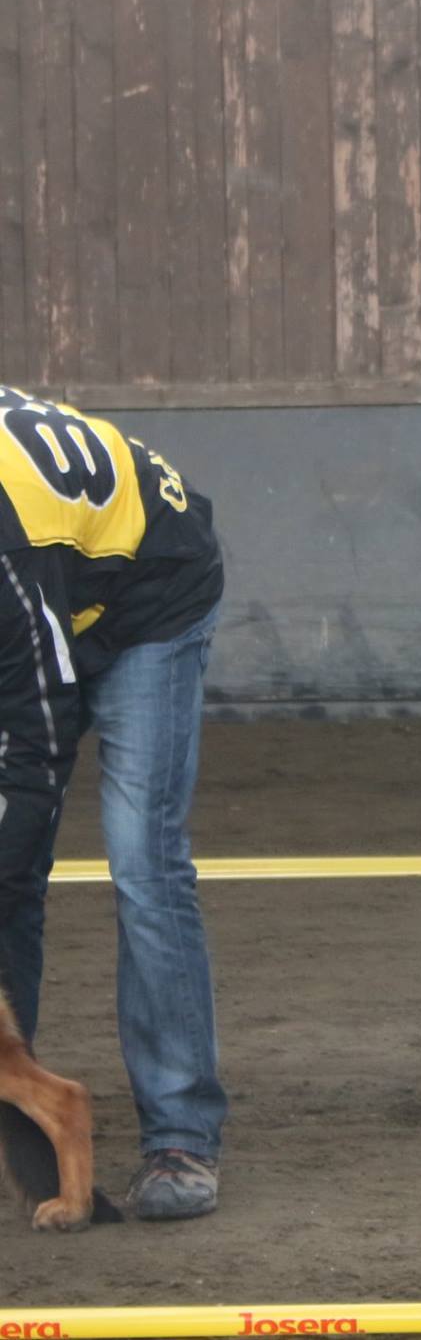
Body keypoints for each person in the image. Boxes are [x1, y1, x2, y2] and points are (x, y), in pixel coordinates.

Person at [0, 386, 228, 1221]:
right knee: (15, 870)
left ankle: (181, 1135)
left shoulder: (6, 543)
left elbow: (33, 739)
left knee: (142, 858)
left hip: (153, 595)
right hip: (59, 581)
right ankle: (25, 1125)